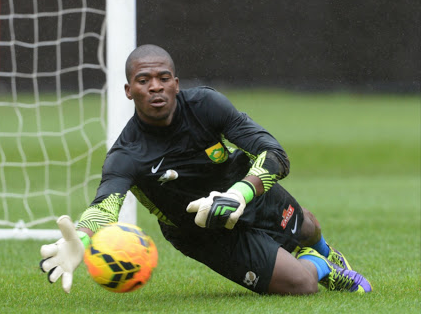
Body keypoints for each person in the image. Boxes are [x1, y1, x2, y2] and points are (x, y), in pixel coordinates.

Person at [39, 44, 372, 295]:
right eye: (143, 80)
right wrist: (81, 237)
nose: (155, 86)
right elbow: (104, 208)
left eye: (162, 78)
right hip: (201, 233)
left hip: (245, 191)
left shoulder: (207, 106)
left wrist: (239, 194)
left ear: (176, 84)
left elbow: (275, 154)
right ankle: (322, 268)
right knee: (302, 284)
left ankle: (329, 256)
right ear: (129, 91)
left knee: (308, 228)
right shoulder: (126, 155)